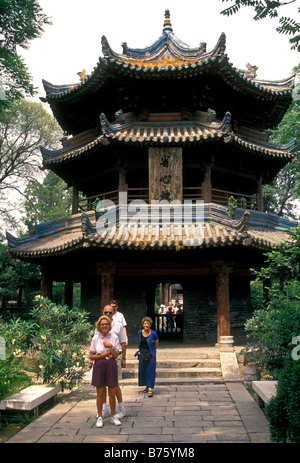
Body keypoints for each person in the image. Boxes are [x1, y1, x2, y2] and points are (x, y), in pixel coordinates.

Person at [89, 315, 122, 428]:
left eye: (106, 324)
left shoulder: (114, 337)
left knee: (112, 391)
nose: (104, 326)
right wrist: (103, 355)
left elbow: (117, 355)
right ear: (99, 326)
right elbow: (91, 356)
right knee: (100, 392)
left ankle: (113, 416)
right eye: (102, 324)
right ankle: (100, 416)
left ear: (109, 326)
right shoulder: (95, 338)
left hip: (111, 364)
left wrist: (111, 346)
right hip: (99, 364)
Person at [102, 305, 126, 419]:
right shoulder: (99, 325)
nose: (107, 315)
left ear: (114, 313)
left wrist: (124, 358)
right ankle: (104, 408)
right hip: (101, 358)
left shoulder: (118, 325)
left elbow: (123, 342)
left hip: (115, 357)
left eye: (110, 313)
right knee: (101, 385)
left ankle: (121, 407)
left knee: (114, 384)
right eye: (105, 312)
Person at [138, 316, 159, 397]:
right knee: (143, 370)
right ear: (143, 324)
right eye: (145, 323)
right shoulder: (139, 332)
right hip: (142, 353)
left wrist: (153, 351)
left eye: (148, 323)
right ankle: (146, 385)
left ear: (150, 325)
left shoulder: (153, 333)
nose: (146, 325)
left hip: (151, 353)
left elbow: (156, 343)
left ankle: (150, 388)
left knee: (150, 370)